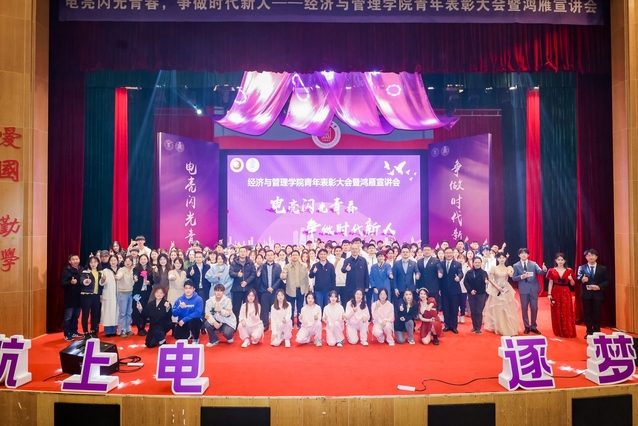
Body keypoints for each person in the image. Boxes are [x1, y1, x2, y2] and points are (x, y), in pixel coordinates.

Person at [484, 252, 522, 336]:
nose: (501, 259)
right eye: (500, 258)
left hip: (506, 289)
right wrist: (497, 287)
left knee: (506, 307)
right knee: (497, 308)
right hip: (496, 289)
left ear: (506, 258)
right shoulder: (494, 268)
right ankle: (498, 326)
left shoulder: (508, 267)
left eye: (503, 258)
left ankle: (507, 326)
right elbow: (490, 279)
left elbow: (510, 275)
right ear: (497, 259)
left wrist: (511, 272)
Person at [512, 248, 547, 334]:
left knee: (534, 308)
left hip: (533, 289)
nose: (523, 255)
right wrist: (521, 277)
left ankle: (533, 326)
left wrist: (544, 270)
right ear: (519, 255)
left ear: (528, 255)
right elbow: (514, 278)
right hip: (523, 289)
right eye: (522, 253)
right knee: (524, 309)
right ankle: (527, 326)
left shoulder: (533, 264)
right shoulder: (516, 265)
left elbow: (540, 272)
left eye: (525, 253)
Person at [577, 249, 609, 338]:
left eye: (592, 255)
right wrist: (582, 280)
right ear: (586, 257)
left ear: (596, 257)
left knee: (597, 313)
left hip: (598, 294)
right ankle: (589, 332)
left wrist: (599, 286)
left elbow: (607, 280)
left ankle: (597, 331)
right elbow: (578, 279)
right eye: (588, 255)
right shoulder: (582, 267)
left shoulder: (602, 268)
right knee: (587, 313)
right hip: (586, 294)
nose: (590, 257)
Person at [546, 253, 577, 338]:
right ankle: (558, 330)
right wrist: (549, 294)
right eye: (558, 260)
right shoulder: (551, 270)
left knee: (566, 310)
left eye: (562, 260)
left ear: (565, 261)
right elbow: (550, 283)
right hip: (555, 291)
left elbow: (573, 284)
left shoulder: (569, 270)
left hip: (566, 291)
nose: (560, 261)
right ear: (555, 260)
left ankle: (567, 330)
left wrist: (571, 279)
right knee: (556, 310)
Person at [281, 250, 310, 329]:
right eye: (293, 255)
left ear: (299, 256)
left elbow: (306, 279)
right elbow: (282, 275)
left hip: (301, 290)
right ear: (291, 257)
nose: (294, 256)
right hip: (290, 290)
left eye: (296, 255)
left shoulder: (303, 266)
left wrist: (306, 290)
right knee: (291, 308)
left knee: (300, 307)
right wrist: (283, 275)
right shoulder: (287, 266)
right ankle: (290, 323)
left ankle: (300, 323)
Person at [256, 250, 283, 331]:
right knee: (264, 309)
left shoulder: (278, 266)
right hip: (264, 291)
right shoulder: (262, 266)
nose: (270, 256)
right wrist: (267, 287)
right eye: (268, 255)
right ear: (265, 256)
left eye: (271, 255)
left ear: (274, 256)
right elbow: (259, 279)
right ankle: (265, 325)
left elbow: (279, 278)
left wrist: (273, 287)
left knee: (276, 308)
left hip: (275, 291)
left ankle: (277, 324)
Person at [439, 247, 464, 334]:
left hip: (455, 290)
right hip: (444, 290)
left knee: (454, 309)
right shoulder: (441, 264)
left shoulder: (457, 264)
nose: (448, 254)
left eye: (450, 253)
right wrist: (439, 289)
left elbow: (461, 273)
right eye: (447, 253)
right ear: (444, 254)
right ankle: (447, 325)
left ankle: (453, 326)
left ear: (453, 254)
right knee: (446, 309)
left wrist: (459, 277)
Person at [463, 257, 489, 334]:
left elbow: (485, 279)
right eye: (475, 262)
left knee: (479, 311)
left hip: (481, 294)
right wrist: (470, 290)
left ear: (481, 263)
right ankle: (474, 327)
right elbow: (465, 282)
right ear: (473, 263)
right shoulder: (469, 272)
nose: (477, 264)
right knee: (473, 310)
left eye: (478, 262)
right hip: (471, 293)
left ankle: (478, 328)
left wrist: (486, 281)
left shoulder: (484, 273)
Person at [229, 246, 257, 319]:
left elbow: (253, 274)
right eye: (241, 251)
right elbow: (230, 272)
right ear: (238, 252)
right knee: (236, 308)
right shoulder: (234, 262)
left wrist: (246, 282)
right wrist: (237, 274)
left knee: (247, 307)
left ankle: (247, 322)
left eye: (244, 251)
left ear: (246, 252)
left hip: (248, 289)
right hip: (237, 288)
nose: (242, 253)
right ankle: (236, 323)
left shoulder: (250, 262)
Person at [80, 256, 102, 338]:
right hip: (86, 295)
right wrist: (86, 281)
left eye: (95, 262)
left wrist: (103, 280)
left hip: (96, 295)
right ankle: (86, 332)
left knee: (95, 314)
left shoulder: (100, 273)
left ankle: (93, 331)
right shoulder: (85, 272)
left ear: (98, 263)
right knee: (85, 314)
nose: (93, 264)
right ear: (89, 263)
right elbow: (81, 280)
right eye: (91, 262)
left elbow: (101, 284)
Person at [61, 254, 83, 341]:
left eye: (77, 259)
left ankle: (74, 331)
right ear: (70, 261)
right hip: (70, 297)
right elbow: (62, 284)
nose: (75, 261)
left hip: (79, 297)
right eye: (73, 259)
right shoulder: (66, 271)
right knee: (68, 317)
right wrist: (70, 282)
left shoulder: (81, 269)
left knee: (76, 316)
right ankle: (67, 334)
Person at [115, 256, 136, 338]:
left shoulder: (134, 270)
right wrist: (117, 277)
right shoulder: (121, 270)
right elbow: (119, 275)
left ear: (132, 262)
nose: (128, 263)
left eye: (129, 261)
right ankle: (122, 330)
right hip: (123, 293)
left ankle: (128, 328)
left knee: (129, 312)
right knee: (122, 313)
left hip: (131, 293)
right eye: (126, 261)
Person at [132, 254, 153, 336]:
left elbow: (153, 281)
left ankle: (143, 327)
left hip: (147, 293)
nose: (143, 261)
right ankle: (139, 328)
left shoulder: (150, 269)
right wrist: (135, 278)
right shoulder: (136, 269)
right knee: (137, 309)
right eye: (141, 259)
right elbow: (135, 275)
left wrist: (149, 282)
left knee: (145, 309)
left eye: (145, 259)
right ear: (139, 260)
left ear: (147, 260)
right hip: (138, 293)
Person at [100, 254, 120, 337]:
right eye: (111, 260)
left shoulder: (120, 270)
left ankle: (114, 330)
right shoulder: (106, 271)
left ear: (118, 261)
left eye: (115, 260)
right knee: (108, 312)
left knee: (116, 312)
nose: (113, 262)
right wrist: (103, 279)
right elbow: (101, 283)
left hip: (118, 294)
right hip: (108, 294)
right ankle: (108, 331)